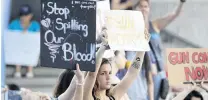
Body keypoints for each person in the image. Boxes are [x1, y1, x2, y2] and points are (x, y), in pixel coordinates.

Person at [133, 0, 186, 99]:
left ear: (149, 9)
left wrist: (182, 3)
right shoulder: (131, 29)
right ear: (135, 8)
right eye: (141, 6)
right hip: (142, 73)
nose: (143, 9)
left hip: (158, 72)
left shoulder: (154, 25)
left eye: (146, 6)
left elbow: (175, 14)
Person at [82, 27, 148, 100]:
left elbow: (132, 73)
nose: (108, 77)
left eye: (109, 73)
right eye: (103, 73)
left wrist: (143, 48)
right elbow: (91, 75)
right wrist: (103, 47)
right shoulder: (87, 96)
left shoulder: (114, 96)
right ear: (95, 77)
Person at [8, 4, 40, 78]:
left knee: (32, 49)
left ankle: (30, 70)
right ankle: (17, 70)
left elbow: (37, 39)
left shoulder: (35, 25)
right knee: (17, 49)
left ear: (31, 15)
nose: (24, 17)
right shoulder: (14, 23)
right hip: (16, 47)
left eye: (26, 15)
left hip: (30, 48)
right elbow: (9, 37)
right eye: (22, 15)